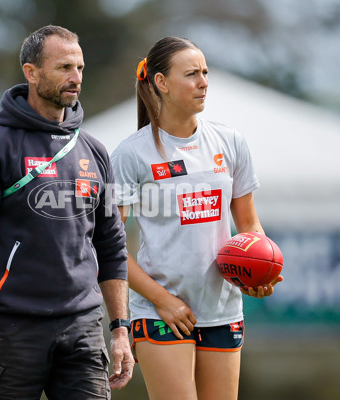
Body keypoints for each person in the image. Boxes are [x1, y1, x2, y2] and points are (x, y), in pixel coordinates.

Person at [0, 25, 134, 400]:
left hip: (82, 326)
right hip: (10, 328)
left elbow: (111, 245)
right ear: (32, 73)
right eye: (63, 67)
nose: (76, 78)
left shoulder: (94, 151)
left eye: (80, 68)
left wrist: (120, 330)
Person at [110, 37, 283, 400]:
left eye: (205, 72)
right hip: (160, 312)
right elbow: (108, 248)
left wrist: (257, 270)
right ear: (161, 82)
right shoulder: (131, 154)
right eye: (191, 74)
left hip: (222, 309)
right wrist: (162, 299)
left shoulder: (230, 142)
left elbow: (249, 225)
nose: (204, 81)